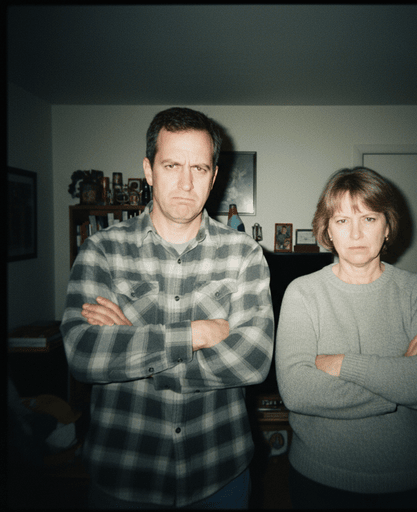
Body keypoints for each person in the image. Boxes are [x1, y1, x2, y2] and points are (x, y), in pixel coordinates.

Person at [60, 107, 274, 509]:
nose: (185, 183)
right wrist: (196, 334)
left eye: (199, 168)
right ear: (149, 169)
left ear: (214, 176)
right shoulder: (101, 250)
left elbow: (252, 361)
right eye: (172, 165)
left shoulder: (244, 254)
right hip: (123, 476)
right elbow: (84, 354)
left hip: (219, 474)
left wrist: (131, 348)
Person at [275, 167, 417, 509]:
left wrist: (343, 364)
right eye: (342, 220)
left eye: (369, 219)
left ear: (387, 226)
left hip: (412, 484)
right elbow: (297, 391)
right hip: (319, 482)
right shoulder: (303, 293)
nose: (356, 233)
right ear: (327, 230)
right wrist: (402, 373)